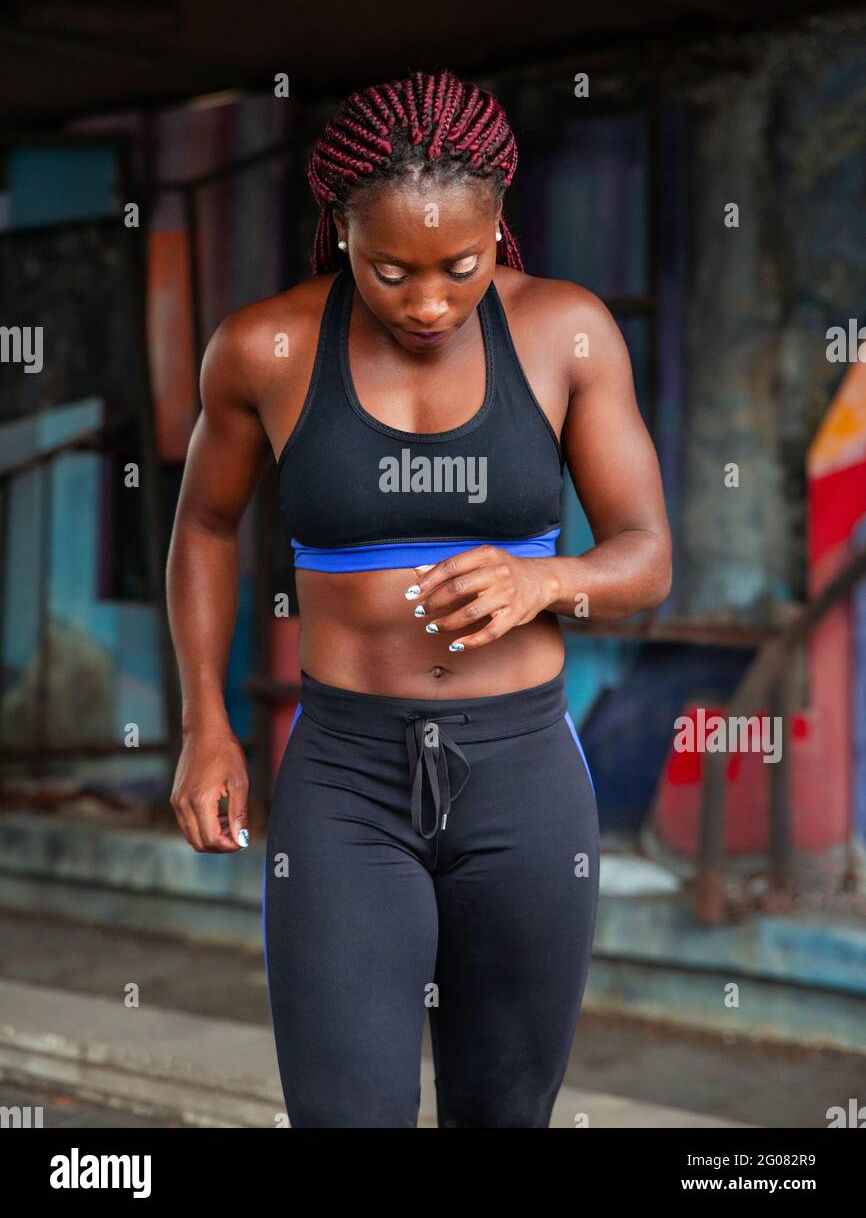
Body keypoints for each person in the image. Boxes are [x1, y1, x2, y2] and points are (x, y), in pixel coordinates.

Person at [167, 69, 671, 1128]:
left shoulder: (564, 334)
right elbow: (205, 528)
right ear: (338, 229)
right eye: (391, 269)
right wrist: (204, 722)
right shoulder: (264, 348)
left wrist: (548, 578)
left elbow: (644, 558)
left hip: (524, 780)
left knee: (500, 1111)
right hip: (345, 779)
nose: (430, 302)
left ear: (500, 226)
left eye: (461, 266)